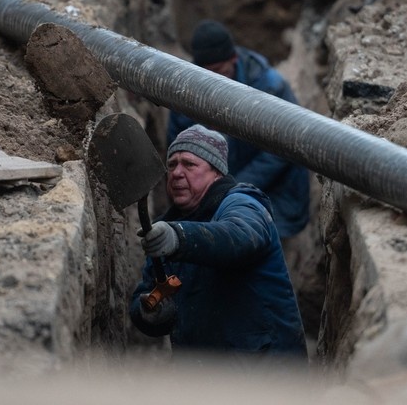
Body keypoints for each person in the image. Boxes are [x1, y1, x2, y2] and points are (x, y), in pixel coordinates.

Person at [129, 125, 308, 364]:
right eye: (171, 164)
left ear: (217, 173)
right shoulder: (166, 229)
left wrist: (179, 237)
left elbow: (242, 236)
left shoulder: (243, 203)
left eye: (189, 164)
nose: (176, 173)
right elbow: (147, 292)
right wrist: (148, 313)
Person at [167, 20, 310, 240]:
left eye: (219, 72)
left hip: (273, 194)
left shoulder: (270, 87)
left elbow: (283, 148)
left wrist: (230, 188)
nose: (213, 81)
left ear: (233, 59)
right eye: (206, 74)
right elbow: (176, 144)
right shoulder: (185, 89)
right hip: (213, 193)